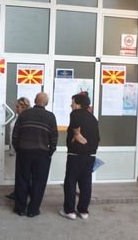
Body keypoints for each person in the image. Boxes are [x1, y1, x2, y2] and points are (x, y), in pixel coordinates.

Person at [12, 92, 58, 217]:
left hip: (24, 151)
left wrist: (18, 148)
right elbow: (54, 138)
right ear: (46, 103)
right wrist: (50, 152)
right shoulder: (50, 117)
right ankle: (33, 210)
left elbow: (15, 134)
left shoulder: (24, 114)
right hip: (42, 154)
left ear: (35, 100)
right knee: (39, 182)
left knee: (22, 180)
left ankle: (20, 209)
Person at [59, 92, 100, 220]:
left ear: (78, 104)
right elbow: (97, 138)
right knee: (86, 183)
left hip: (75, 155)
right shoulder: (93, 118)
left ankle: (70, 211)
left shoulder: (75, 114)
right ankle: (83, 211)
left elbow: (76, 129)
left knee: (70, 182)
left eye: (72, 102)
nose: (71, 105)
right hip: (90, 156)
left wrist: (78, 136)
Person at [6, 97, 31, 200]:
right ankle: (17, 192)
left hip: (23, 149)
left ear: (24, 107)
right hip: (17, 148)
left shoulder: (26, 117)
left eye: (17, 106)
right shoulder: (18, 116)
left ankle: (22, 194)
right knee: (19, 172)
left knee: (24, 174)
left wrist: (16, 147)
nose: (16, 108)